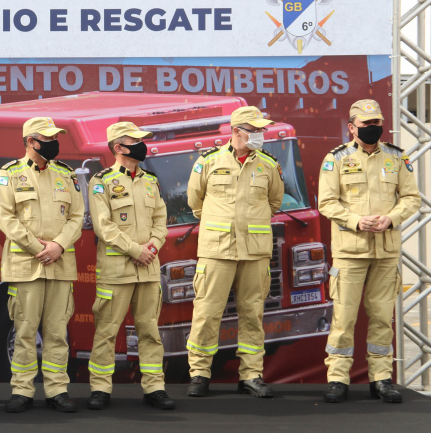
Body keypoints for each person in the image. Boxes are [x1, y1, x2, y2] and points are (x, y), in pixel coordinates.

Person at [318, 99, 420, 404]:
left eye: (377, 123)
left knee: (382, 318)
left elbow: (411, 198)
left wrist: (392, 218)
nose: (373, 128)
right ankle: (338, 379)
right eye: (366, 124)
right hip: (350, 251)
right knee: (343, 318)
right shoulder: (336, 158)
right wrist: (356, 221)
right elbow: (326, 202)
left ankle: (381, 379)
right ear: (352, 127)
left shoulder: (397, 157)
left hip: (385, 251)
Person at [184, 106, 283, 398]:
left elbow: (274, 202)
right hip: (217, 251)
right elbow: (195, 202)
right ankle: (199, 374)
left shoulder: (269, 164)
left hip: (255, 252)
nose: (261, 134)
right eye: (255, 130)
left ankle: (251, 375)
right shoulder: (208, 161)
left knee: (252, 313)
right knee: (206, 313)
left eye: (262, 129)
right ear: (236, 131)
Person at [0, 117, 84, 413]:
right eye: (48, 138)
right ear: (31, 141)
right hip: (26, 266)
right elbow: (5, 218)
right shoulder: (9, 174)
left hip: (60, 264)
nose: (54, 143)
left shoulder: (66, 174)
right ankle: (22, 390)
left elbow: (77, 216)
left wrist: (59, 245)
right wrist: (37, 248)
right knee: (24, 331)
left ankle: (57, 390)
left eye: (55, 137)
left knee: (57, 332)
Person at [86, 122, 175, 411]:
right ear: (118, 147)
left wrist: (153, 247)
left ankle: (154, 387)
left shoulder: (151, 181)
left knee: (149, 331)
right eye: (135, 141)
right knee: (107, 331)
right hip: (116, 272)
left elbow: (161, 221)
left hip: (148, 270)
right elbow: (103, 227)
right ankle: (100, 388)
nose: (141, 145)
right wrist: (136, 250)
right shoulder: (101, 181)